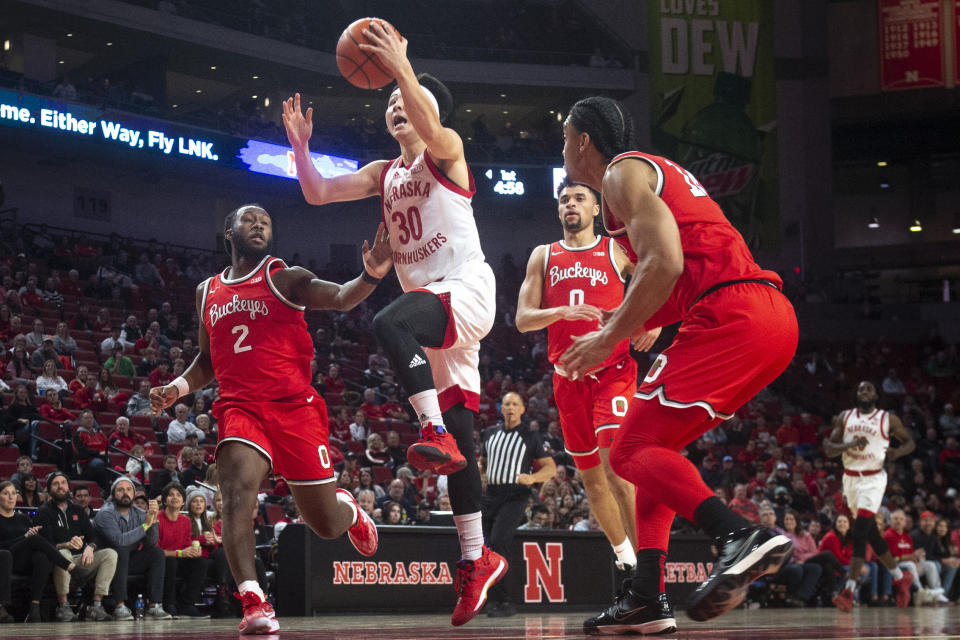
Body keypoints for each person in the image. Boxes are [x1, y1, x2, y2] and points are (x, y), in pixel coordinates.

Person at [282, 24, 503, 626]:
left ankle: (437, 430)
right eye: (389, 103)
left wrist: (405, 70)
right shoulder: (385, 173)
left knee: (387, 321)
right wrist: (301, 146)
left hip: (464, 290)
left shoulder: (447, 149)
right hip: (432, 311)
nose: (396, 106)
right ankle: (477, 558)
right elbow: (318, 193)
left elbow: (432, 126)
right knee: (460, 446)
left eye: (406, 101)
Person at [559, 97, 798, 631]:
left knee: (630, 452)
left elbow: (664, 262)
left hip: (732, 312)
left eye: (564, 139)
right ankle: (646, 594)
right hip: (764, 317)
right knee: (652, 452)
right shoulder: (645, 177)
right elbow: (675, 267)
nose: (564, 149)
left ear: (582, 142)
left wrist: (609, 336)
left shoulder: (621, 173)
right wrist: (633, 317)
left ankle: (738, 534)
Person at [149, 204, 382, 634]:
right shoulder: (207, 292)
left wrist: (370, 273)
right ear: (228, 233)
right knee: (236, 494)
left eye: (267, 221)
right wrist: (177, 388)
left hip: (295, 409)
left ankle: (349, 510)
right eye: (250, 220)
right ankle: (254, 600)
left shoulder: (283, 277)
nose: (259, 225)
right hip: (241, 408)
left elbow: (341, 297)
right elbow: (207, 358)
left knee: (326, 525)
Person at [515, 178, 644, 575]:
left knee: (617, 471)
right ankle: (628, 561)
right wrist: (560, 313)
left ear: (594, 210)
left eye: (579, 198)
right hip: (567, 379)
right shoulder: (543, 255)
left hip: (613, 372)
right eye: (564, 199)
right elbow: (522, 319)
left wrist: (652, 320)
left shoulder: (616, 248)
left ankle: (651, 573)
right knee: (593, 482)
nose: (570, 204)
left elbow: (660, 280)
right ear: (559, 210)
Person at [824, 380, 916, 611]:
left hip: (873, 479)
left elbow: (910, 443)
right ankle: (899, 577)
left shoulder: (888, 419)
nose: (864, 392)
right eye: (860, 389)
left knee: (860, 531)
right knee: (872, 534)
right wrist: (851, 443)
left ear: (876, 394)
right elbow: (829, 449)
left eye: (869, 389)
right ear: (856, 395)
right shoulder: (845, 417)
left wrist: (897, 451)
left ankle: (849, 591)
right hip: (851, 479)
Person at [479, 392, 555, 617]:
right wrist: (483, 474)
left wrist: (532, 478)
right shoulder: (489, 433)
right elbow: (483, 461)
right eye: (506, 404)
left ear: (522, 409)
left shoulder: (530, 436)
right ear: (501, 408)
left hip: (515, 495)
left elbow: (550, 467)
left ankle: (504, 601)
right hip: (490, 494)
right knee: (485, 547)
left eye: (515, 404)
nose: (510, 407)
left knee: (498, 542)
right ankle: (492, 599)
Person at [35, 471, 117, 622]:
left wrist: (90, 547)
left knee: (110, 554)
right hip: (56, 560)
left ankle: (96, 605)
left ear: (68, 487)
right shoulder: (43, 512)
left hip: (80, 560)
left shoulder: (78, 510)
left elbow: (93, 536)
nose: (60, 486)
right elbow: (44, 544)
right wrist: (65, 544)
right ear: (49, 489)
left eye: (63, 483)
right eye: (56, 484)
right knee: (64, 552)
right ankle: (63, 606)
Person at [93, 476, 171, 620]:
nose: (125, 493)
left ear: (134, 494)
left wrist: (153, 521)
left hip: (129, 560)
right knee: (120, 550)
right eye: (120, 490)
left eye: (129, 489)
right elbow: (119, 541)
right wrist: (146, 525)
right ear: (113, 493)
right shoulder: (106, 513)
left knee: (157, 553)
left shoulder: (140, 514)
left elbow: (150, 544)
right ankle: (119, 605)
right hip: (105, 563)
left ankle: (154, 606)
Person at [0, 480, 76, 622]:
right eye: (6, 493)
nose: (11, 497)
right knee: (33, 539)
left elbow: (29, 542)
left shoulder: (22, 518)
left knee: (42, 556)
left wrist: (29, 535)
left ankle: (34, 607)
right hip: (4, 559)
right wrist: (25, 537)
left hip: (22, 561)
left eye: (13, 494)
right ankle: (69, 566)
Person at [156, 482, 210, 617]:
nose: (175, 498)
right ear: (164, 500)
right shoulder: (157, 518)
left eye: (178, 495)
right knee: (172, 561)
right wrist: (180, 553)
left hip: (180, 558)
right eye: (171, 495)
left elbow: (186, 543)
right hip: (162, 560)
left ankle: (187, 604)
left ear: (183, 502)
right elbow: (154, 551)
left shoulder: (185, 520)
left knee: (201, 562)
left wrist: (193, 550)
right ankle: (169, 604)